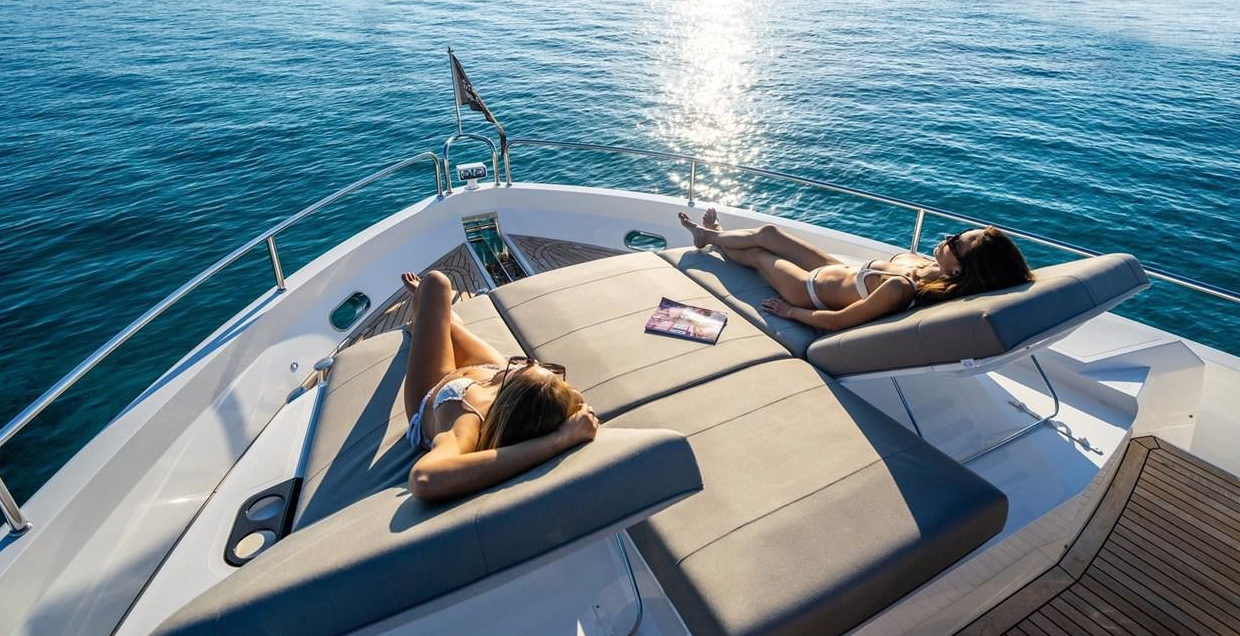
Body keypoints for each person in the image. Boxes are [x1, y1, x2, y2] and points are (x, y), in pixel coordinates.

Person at [400, 270, 599, 502]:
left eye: (525, 366)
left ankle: (422, 311)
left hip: (436, 386)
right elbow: (575, 401)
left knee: (436, 283)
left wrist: (559, 440)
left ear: (512, 392)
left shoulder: (467, 422)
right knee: (447, 322)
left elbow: (424, 478)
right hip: (487, 374)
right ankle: (432, 315)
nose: (528, 361)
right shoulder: (532, 400)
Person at [677, 208, 1033, 332]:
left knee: (758, 254)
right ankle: (714, 236)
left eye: (957, 244)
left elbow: (839, 321)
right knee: (770, 234)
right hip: (840, 270)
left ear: (962, 270)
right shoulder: (928, 267)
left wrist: (793, 311)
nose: (948, 238)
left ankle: (708, 238)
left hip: (808, 289)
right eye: (957, 233)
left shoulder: (902, 290)